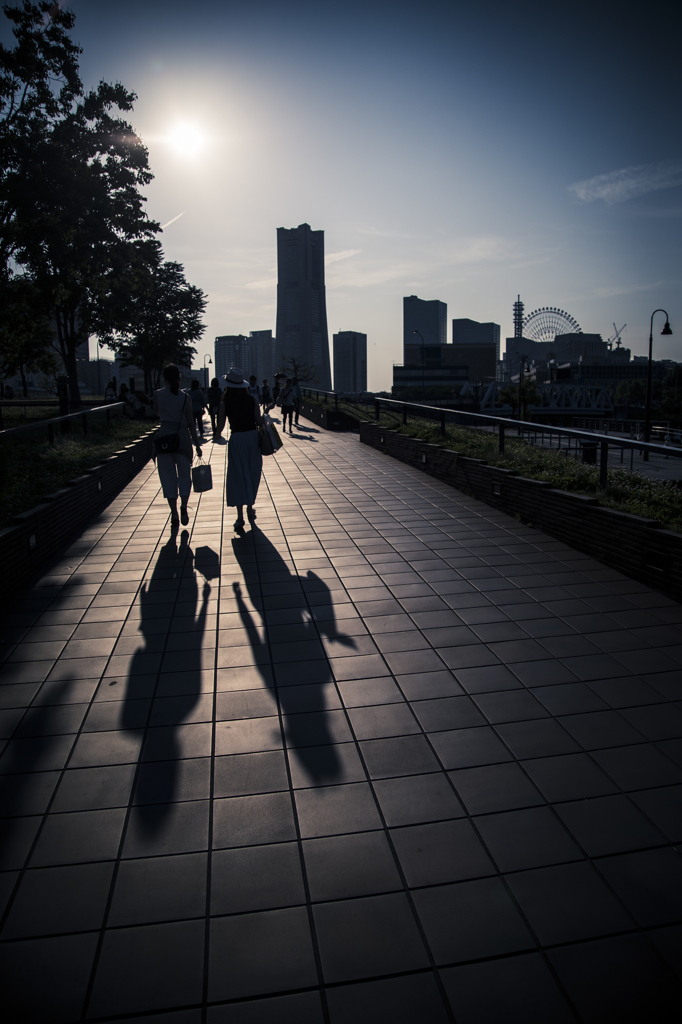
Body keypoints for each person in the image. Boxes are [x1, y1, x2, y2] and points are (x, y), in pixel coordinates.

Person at [154, 364, 202, 527]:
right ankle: (183, 506)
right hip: (181, 438)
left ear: (164, 378)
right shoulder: (185, 398)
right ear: (179, 378)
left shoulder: (158, 395)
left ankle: (173, 513)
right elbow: (190, 423)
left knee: (167, 478)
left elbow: (156, 414)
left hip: (164, 440)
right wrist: (197, 444)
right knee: (184, 476)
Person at [218, 367, 263, 529]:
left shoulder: (225, 402)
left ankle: (240, 517)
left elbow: (221, 426)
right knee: (252, 473)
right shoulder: (252, 400)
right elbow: (259, 422)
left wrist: (214, 437)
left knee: (238, 476)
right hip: (252, 438)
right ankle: (250, 508)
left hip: (236, 439)